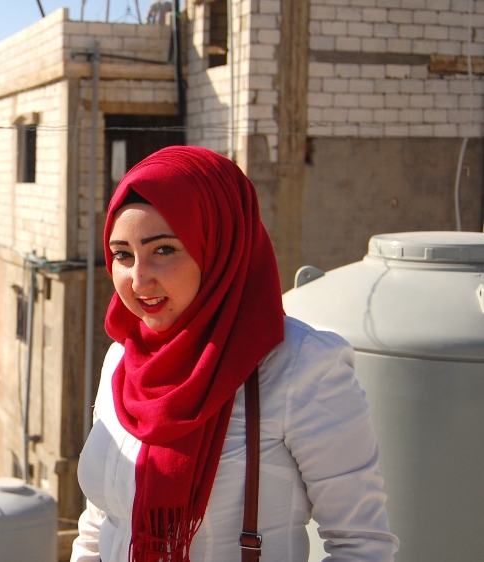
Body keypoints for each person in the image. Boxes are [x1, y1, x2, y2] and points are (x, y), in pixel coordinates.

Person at [71, 146, 397, 562]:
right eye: (122, 255)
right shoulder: (122, 360)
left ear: (220, 245)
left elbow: (362, 545)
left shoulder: (301, 366)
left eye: (164, 249)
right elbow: (103, 521)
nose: (138, 279)